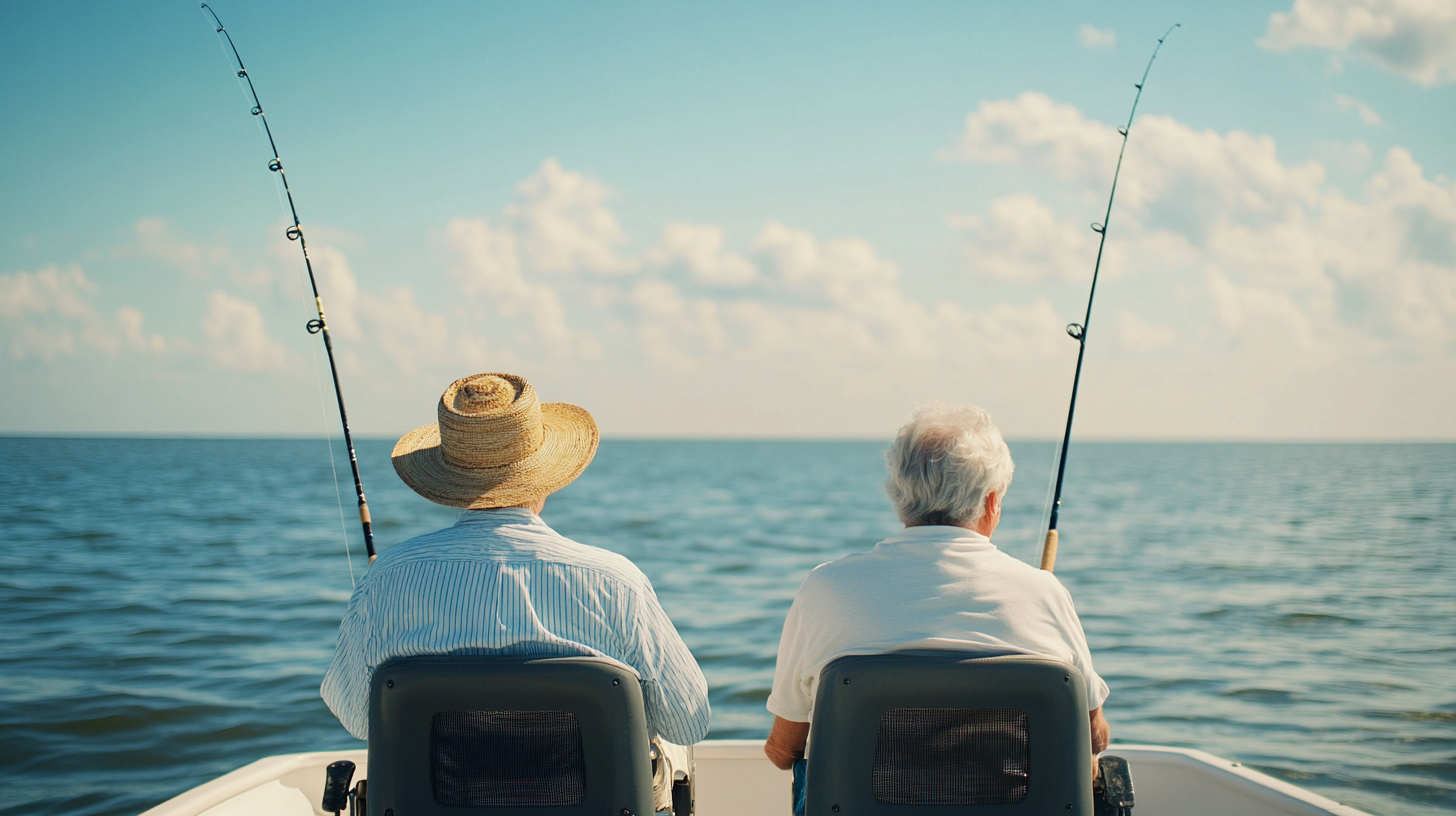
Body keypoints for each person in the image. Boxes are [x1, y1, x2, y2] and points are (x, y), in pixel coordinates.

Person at [322, 372, 709, 810]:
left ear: (450, 480)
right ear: (544, 477)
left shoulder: (385, 580)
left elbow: (357, 718)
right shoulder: (617, 582)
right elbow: (689, 721)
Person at [763, 403, 1110, 813]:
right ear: (992, 500)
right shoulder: (1045, 594)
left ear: (898, 494)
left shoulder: (825, 590)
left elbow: (784, 750)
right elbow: (1094, 737)